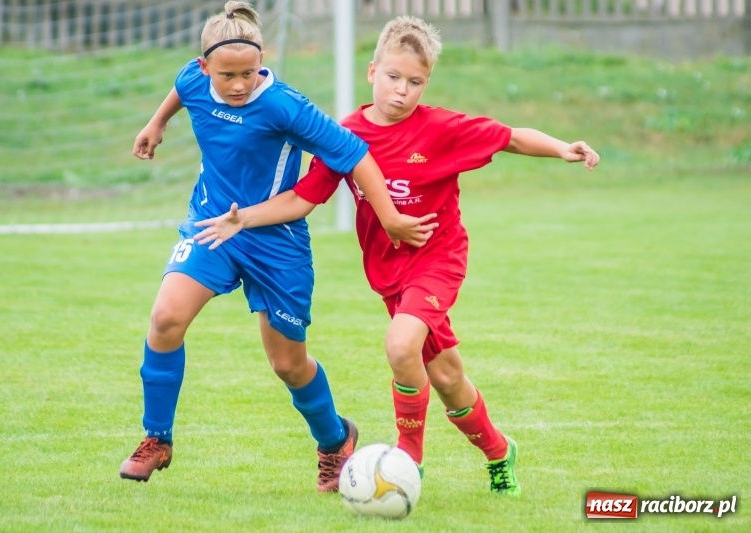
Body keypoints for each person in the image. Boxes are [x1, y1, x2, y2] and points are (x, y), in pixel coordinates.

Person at [193, 16, 600, 496]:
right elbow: (303, 199)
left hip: (438, 257)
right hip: (388, 271)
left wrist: (562, 149)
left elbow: (510, 136)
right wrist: (244, 218)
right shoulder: (343, 136)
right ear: (371, 72)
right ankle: (497, 451)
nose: (402, 91)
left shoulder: (443, 128)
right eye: (393, 77)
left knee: (400, 345)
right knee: (446, 377)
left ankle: (408, 460)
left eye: (415, 82)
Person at [119, 3, 438, 493]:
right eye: (227, 75)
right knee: (165, 320)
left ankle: (334, 440)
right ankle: (156, 438)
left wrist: (390, 217)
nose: (240, 84)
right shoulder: (193, 78)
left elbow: (355, 153)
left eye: (249, 72)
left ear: (263, 60)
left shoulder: (284, 105)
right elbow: (181, 90)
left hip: (277, 243)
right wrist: (157, 123)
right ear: (205, 67)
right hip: (212, 226)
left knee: (288, 364)